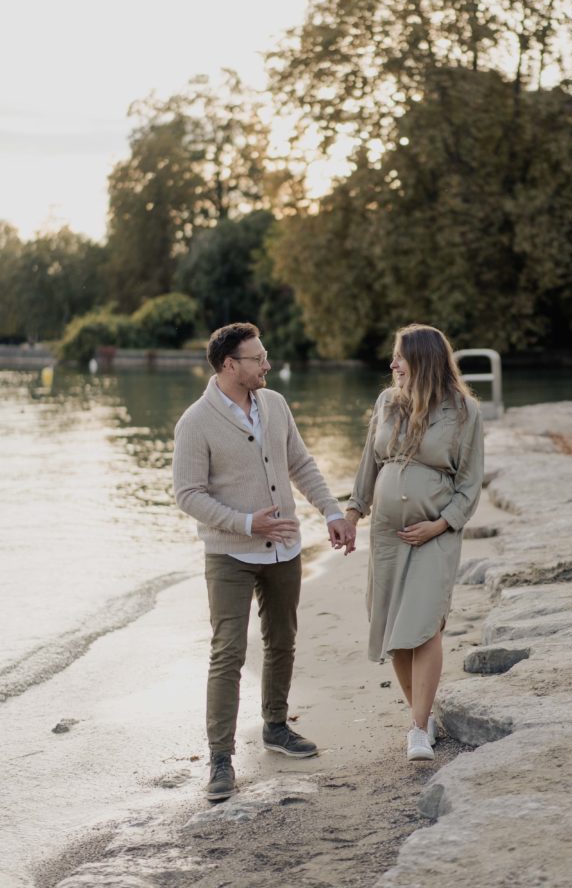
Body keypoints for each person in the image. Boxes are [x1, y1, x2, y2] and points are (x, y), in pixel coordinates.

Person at [173, 322, 356, 801]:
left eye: (265, 355)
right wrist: (245, 523)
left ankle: (276, 726)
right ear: (229, 365)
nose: (267, 364)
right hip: (229, 552)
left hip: (285, 548)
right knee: (228, 652)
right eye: (258, 358)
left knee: (282, 641)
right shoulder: (195, 422)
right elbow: (187, 494)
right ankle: (220, 759)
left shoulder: (274, 404)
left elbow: (300, 462)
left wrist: (332, 511)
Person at [344, 324, 484, 762]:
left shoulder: (464, 411)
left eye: (399, 357)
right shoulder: (387, 402)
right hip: (386, 534)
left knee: (424, 625)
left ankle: (417, 730)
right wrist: (352, 512)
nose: (392, 364)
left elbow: (470, 483)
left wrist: (439, 525)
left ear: (422, 359)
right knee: (395, 631)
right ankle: (422, 715)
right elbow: (370, 463)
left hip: (433, 535)